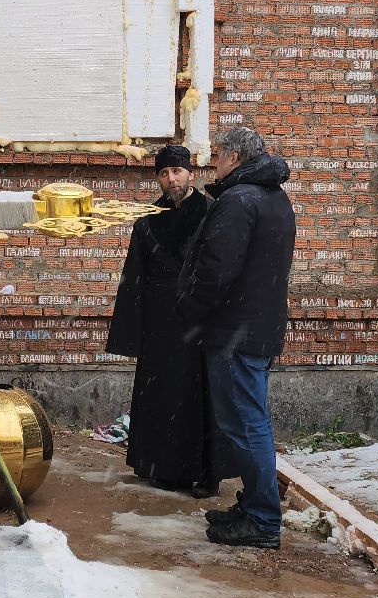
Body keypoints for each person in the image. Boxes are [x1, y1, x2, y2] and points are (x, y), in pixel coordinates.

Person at [175, 125, 296, 549]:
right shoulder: (272, 197)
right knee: (247, 422)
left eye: (218, 153)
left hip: (235, 333)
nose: (213, 161)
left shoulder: (240, 201)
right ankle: (255, 506)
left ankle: (263, 520)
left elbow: (216, 271)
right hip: (254, 328)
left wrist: (189, 310)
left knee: (246, 425)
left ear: (234, 157)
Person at [105, 144, 216, 496]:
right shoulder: (150, 218)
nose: (172, 179)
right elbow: (135, 274)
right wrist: (132, 330)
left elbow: (218, 264)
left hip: (198, 319)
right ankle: (160, 465)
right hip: (160, 322)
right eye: (165, 173)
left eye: (177, 172)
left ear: (190, 174)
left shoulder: (210, 212)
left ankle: (201, 472)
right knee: (162, 394)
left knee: (197, 396)